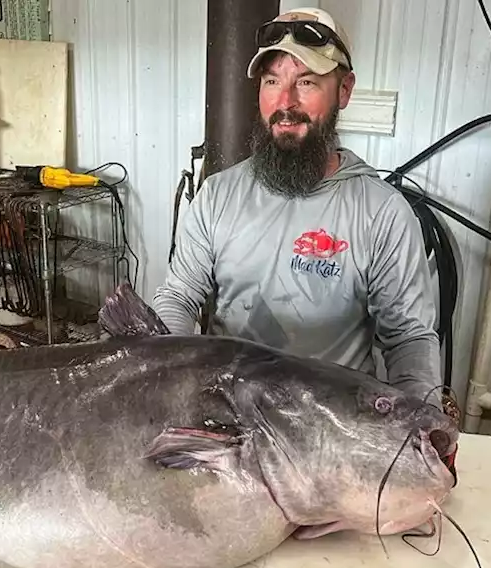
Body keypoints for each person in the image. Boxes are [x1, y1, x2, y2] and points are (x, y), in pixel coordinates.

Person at [152, 7, 443, 405]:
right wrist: (165, 377)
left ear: (344, 90)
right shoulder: (218, 195)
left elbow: (408, 338)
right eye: (272, 81)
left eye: (306, 82)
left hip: (329, 430)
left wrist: (420, 423)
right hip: (230, 419)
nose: (284, 102)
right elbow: (179, 297)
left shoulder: (382, 213)